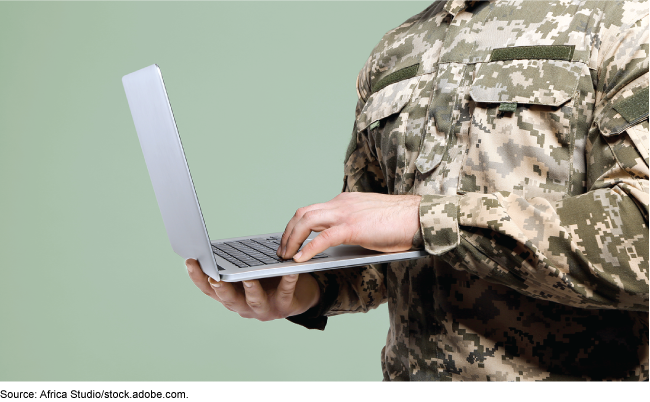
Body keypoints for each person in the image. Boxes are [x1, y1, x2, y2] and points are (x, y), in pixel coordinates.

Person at [186, 0, 649, 380]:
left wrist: (423, 218)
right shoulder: (396, 50)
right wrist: (306, 288)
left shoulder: (626, 22)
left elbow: (641, 236)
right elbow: (376, 244)